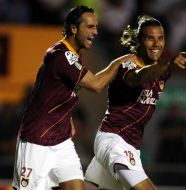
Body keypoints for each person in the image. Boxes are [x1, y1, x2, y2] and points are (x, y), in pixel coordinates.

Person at [12, 5, 133, 190]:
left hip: (61, 141)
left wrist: (66, 118)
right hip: (37, 141)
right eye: (90, 27)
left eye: (96, 27)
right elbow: (95, 84)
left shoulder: (74, 55)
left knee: (76, 187)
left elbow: (53, 91)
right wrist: (118, 62)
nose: (96, 32)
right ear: (74, 28)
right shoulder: (61, 54)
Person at [85, 15, 186, 190]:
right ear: (139, 41)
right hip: (114, 139)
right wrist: (169, 62)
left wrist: (166, 65)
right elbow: (139, 78)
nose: (156, 44)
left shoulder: (163, 70)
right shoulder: (127, 64)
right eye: (150, 38)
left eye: (160, 38)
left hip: (131, 146)